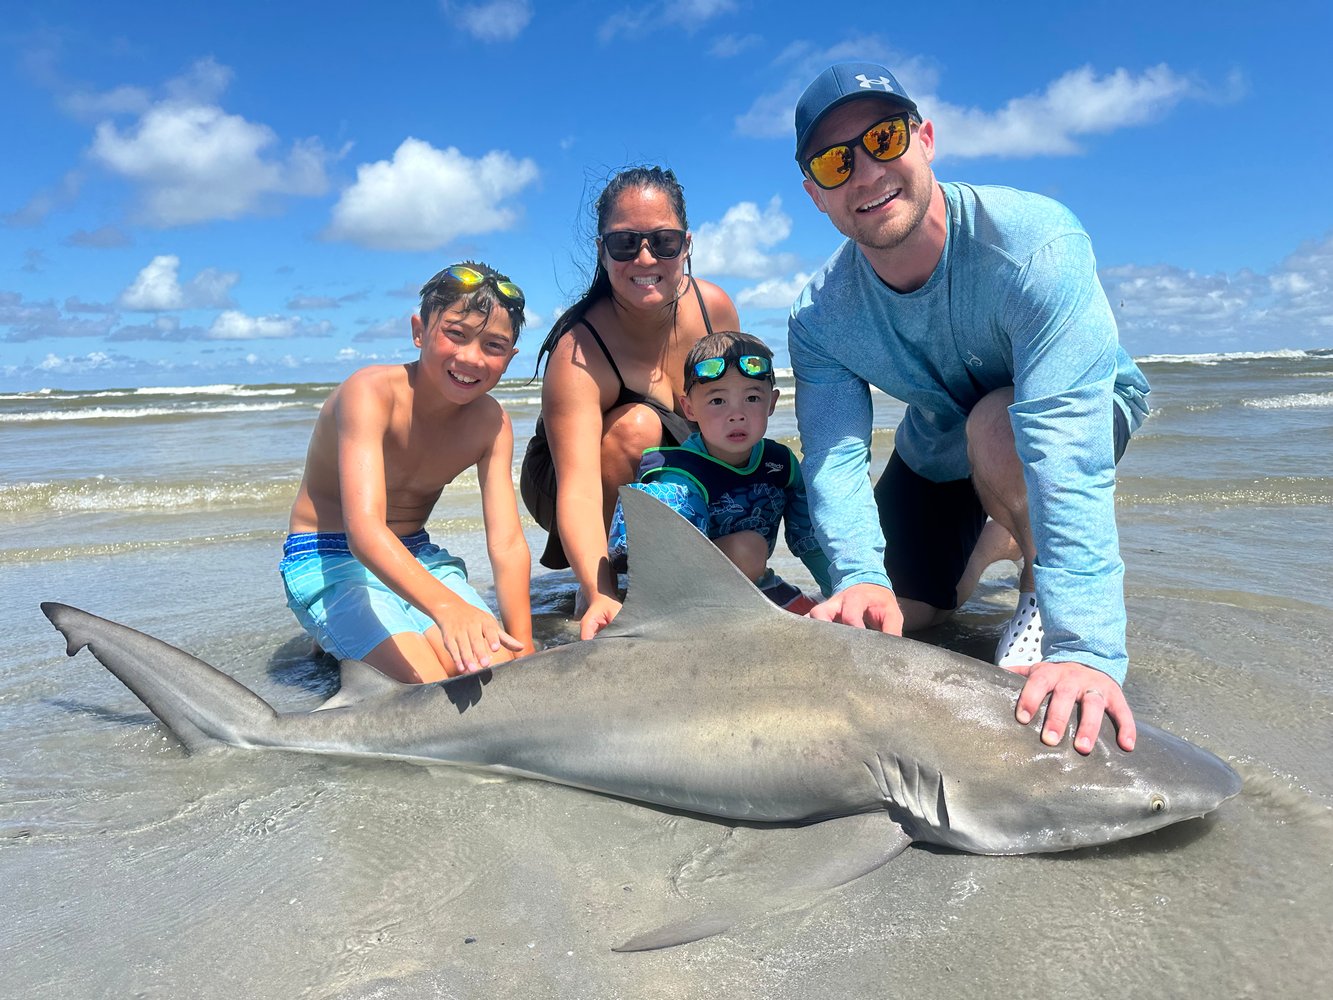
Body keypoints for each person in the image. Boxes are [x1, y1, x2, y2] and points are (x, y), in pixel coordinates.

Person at [787, 62, 1152, 756]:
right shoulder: (819, 317)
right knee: (905, 617)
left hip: (1063, 417)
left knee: (998, 422)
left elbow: (1063, 452)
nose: (864, 172)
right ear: (815, 194)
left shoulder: (1033, 245)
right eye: (836, 161)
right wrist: (860, 575)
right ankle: (994, 537)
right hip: (939, 444)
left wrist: (1085, 646)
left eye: (884, 139)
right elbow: (833, 458)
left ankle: (1035, 581)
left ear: (924, 138)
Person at [281, 262, 535, 683]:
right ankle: (336, 630)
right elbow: (363, 530)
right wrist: (448, 608)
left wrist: (523, 644)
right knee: (428, 688)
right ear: (420, 331)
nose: (470, 357)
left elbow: (507, 542)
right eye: (455, 334)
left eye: (493, 345)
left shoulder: (491, 423)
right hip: (329, 556)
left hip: (417, 557)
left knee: (496, 677)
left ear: (510, 358)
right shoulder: (370, 393)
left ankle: (358, 633)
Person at [520, 166, 740, 638]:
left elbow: (735, 414)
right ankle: (603, 581)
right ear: (602, 252)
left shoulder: (713, 308)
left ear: (686, 245)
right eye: (625, 243)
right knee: (636, 427)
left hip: (672, 457)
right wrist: (599, 593)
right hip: (569, 475)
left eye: (663, 242)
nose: (644, 258)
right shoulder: (579, 348)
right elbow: (577, 487)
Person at [607, 330, 832, 612]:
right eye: (717, 401)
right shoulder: (677, 473)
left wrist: (841, 590)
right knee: (749, 549)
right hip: (679, 597)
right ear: (689, 408)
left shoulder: (781, 464)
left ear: (771, 403)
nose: (736, 414)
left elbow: (810, 540)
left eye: (752, 398)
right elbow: (665, 565)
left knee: (822, 617)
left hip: (752, 582)